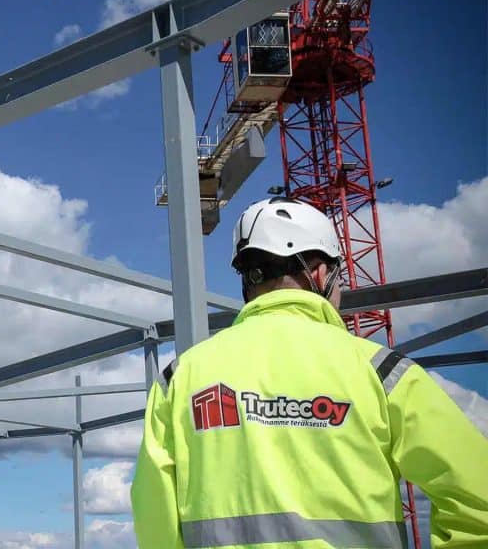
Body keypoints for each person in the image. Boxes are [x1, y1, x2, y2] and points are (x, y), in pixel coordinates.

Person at [130, 197, 488, 548]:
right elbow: (478, 498)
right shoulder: (383, 372)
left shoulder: (181, 377)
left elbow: (154, 516)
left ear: (248, 281)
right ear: (320, 273)